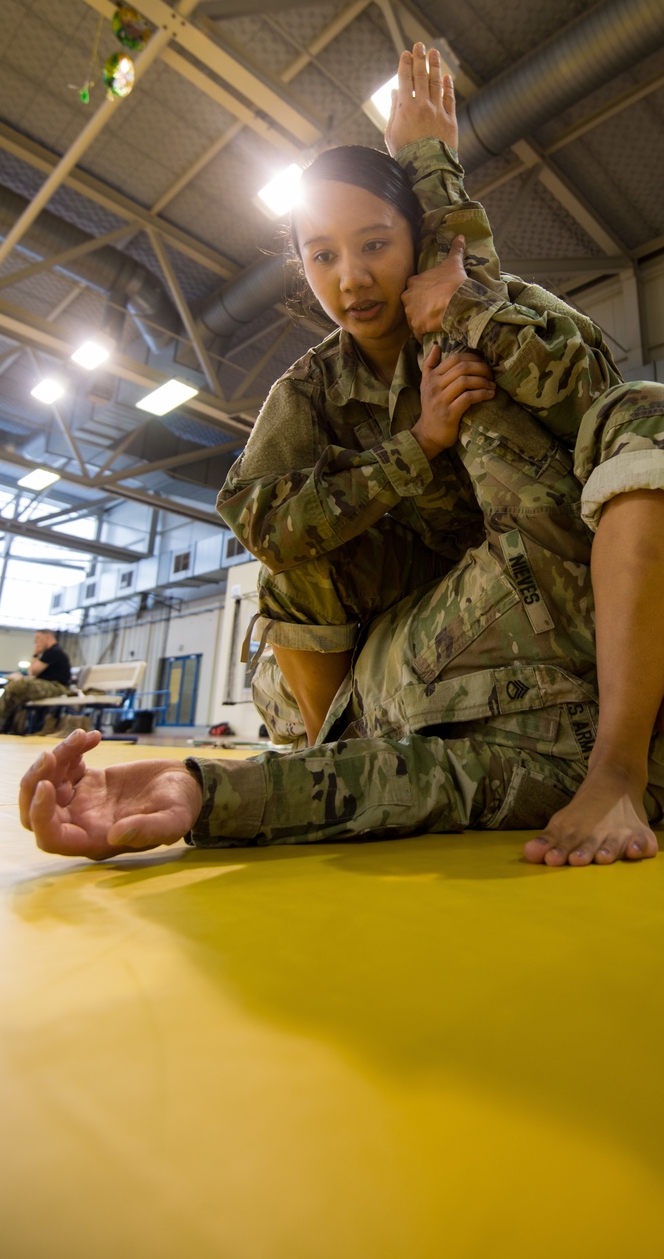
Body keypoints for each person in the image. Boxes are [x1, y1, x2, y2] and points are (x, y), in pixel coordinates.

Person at [19, 380, 664, 867]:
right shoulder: (574, 533)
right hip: (329, 648)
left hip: (358, 730)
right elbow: (600, 406)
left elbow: (431, 784)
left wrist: (202, 792)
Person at [218, 41, 623, 745]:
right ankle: (334, 761)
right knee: (291, 558)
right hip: (384, 634)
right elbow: (259, 522)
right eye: (323, 256)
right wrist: (415, 447)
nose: (350, 279)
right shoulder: (311, 390)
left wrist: (434, 177)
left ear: (416, 236)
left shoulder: (493, 314)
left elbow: (595, 398)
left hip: (517, 591)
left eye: (374, 244)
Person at [0, 628, 71, 733]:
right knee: (13, 692)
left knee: (18, 685)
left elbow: (33, 672)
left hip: (57, 687)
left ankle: (0, 724)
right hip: (47, 685)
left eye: (38, 638)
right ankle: (1, 725)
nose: (35, 642)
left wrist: (35, 654)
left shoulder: (54, 651)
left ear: (47, 637)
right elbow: (32, 673)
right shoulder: (51, 652)